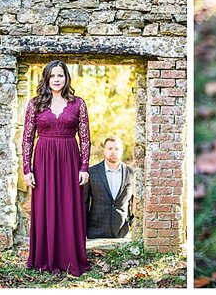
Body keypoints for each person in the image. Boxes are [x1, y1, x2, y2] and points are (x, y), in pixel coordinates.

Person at [22, 60, 91, 276]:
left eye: (60, 75)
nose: (56, 80)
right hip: (43, 160)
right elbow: (27, 138)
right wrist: (27, 169)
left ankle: (70, 257)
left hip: (70, 159)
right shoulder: (35, 104)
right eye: (52, 76)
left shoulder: (78, 103)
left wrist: (84, 167)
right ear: (46, 78)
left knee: (69, 206)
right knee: (45, 206)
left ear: (66, 77)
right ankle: (44, 257)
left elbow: (86, 138)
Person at [83, 137, 135, 239]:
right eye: (110, 148)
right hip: (95, 231)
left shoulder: (131, 173)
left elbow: (135, 201)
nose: (113, 152)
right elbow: (84, 203)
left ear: (122, 150)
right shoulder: (91, 172)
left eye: (117, 149)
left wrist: (132, 223)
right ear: (104, 150)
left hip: (122, 232)